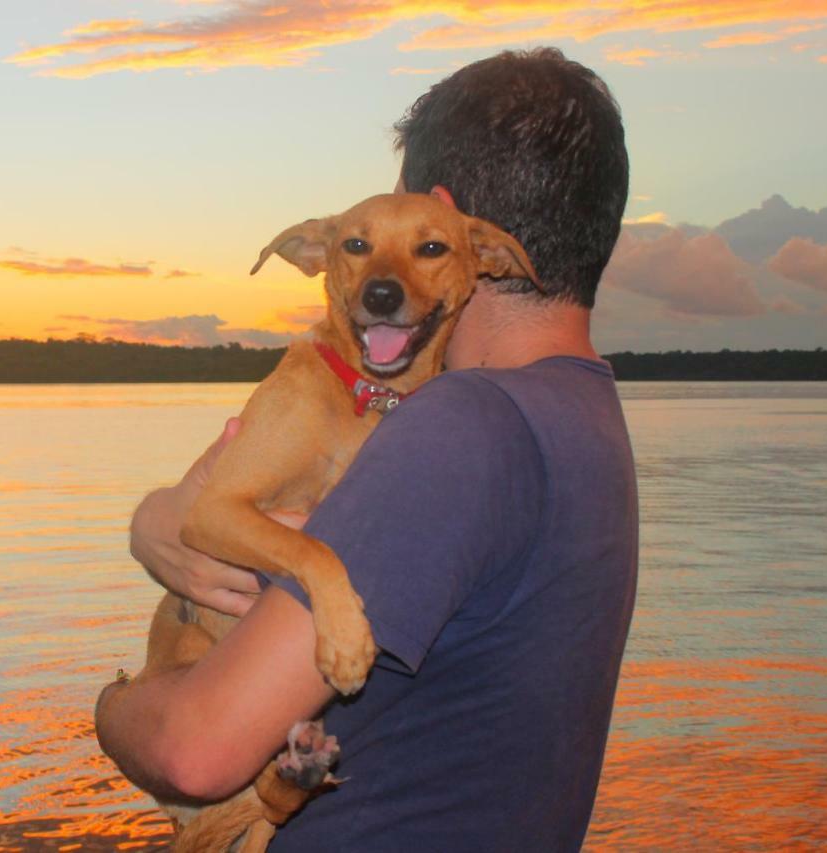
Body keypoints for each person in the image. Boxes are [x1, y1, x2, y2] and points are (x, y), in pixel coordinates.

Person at [96, 47, 637, 851]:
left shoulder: (461, 429)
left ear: (449, 217)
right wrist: (161, 520)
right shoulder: (588, 416)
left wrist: (112, 704)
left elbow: (193, 750)